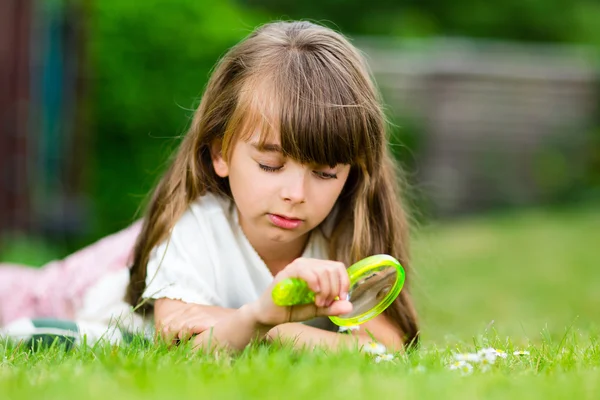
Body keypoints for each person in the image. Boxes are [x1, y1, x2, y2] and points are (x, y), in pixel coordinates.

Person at [0, 20, 419, 353]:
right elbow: (179, 336)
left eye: (326, 173)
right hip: (93, 280)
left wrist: (270, 329)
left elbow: (385, 348)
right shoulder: (191, 228)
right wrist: (262, 318)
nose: (296, 193)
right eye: (271, 164)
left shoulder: (348, 230)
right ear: (220, 154)